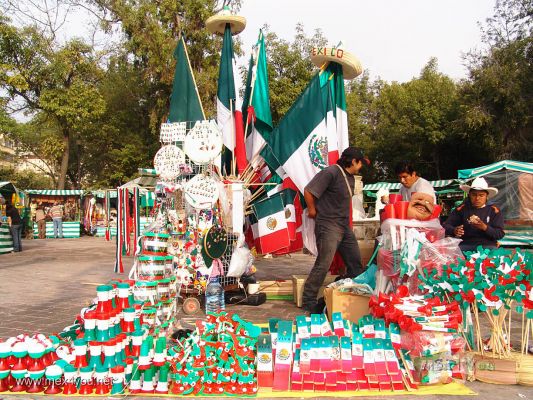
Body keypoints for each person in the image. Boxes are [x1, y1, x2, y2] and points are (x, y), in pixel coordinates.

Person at [301, 147, 370, 313]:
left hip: (343, 226)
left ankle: (344, 289)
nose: (361, 167)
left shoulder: (350, 177)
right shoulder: (331, 172)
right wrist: (312, 210)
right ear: (353, 161)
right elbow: (309, 191)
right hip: (328, 225)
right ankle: (308, 299)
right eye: (360, 163)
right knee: (323, 264)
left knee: (355, 264)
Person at [443, 177, 505, 252]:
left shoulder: (494, 210)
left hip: (488, 245)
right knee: (454, 255)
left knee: (493, 255)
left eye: (481, 195)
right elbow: (446, 226)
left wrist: (485, 227)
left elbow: (500, 234)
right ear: (469, 195)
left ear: (486, 196)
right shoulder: (461, 209)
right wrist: (454, 230)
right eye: (474, 195)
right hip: (465, 244)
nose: (477, 198)